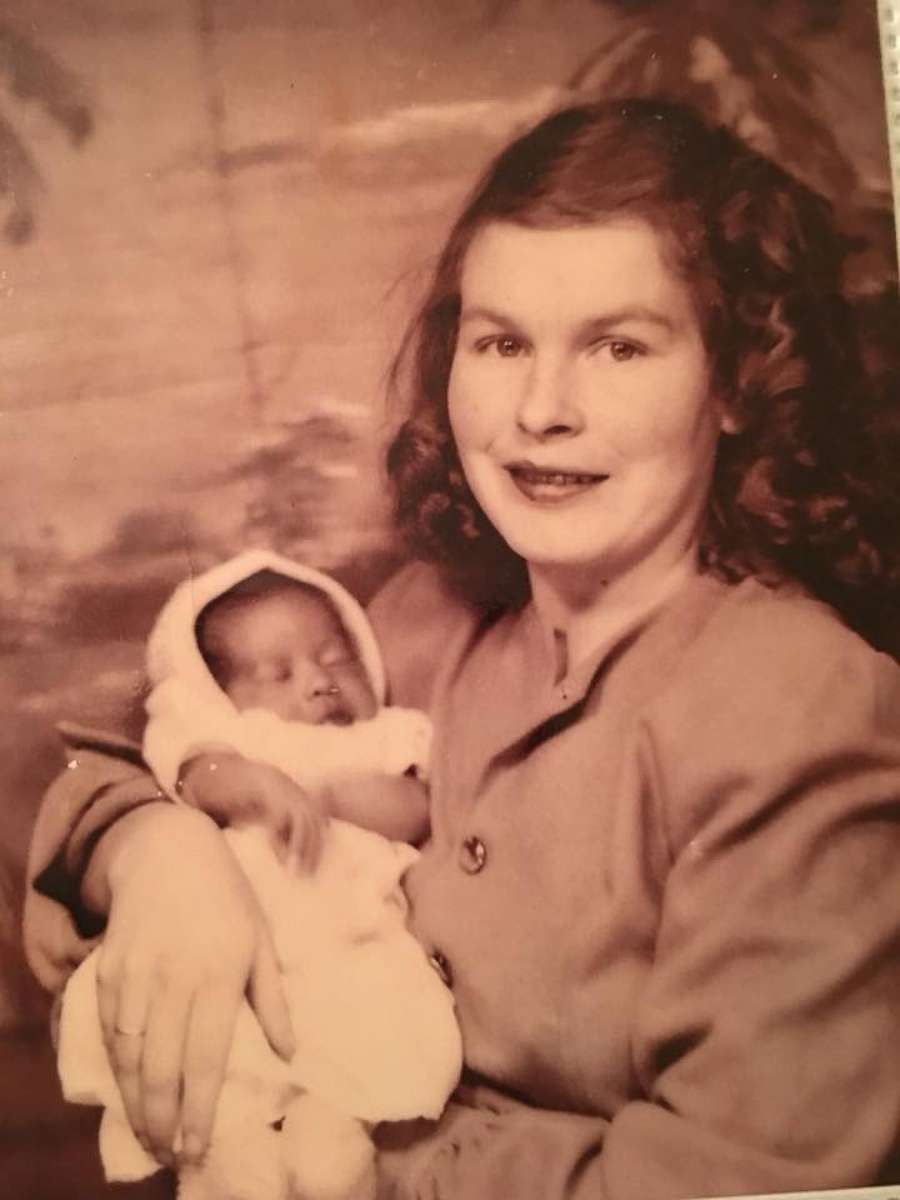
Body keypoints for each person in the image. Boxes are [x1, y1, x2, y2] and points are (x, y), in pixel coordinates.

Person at [24, 97, 900, 1199]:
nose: (540, 409)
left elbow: (754, 1182)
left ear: (731, 383)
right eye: (501, 343)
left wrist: (376, 1149)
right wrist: (158, 855)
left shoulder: (808, 707)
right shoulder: (423, 615)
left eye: (619, 345)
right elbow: (143, 741)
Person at [54, 548, 460, 1198]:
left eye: (336, 658)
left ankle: (333, 1159)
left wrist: (324, 793)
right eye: (276, 673)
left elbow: (415, 812)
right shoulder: (225, 738)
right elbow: (195, 775)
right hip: (232, 964)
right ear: (219, 693)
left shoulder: (382, 739)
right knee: (221, 1108)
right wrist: (249, 781)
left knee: (351, 1099)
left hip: (351, 953)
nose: (318, 682)